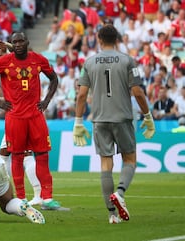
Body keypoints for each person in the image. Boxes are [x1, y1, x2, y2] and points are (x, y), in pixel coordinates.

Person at [73, 24, 155, 224]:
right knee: (130, 159)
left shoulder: (89, 62)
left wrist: (78, 121)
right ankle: (120, 192)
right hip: (122, 117)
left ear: (99, 39)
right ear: (117, 39)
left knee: (105, 163)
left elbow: (82, 94)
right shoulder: (127, 60)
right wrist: (147, 115)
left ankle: (111, 215)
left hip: (99, 119)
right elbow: (137, 92)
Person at [0, 31, 61, 210]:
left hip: (35, 116)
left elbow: (54, 78)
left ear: (27, 42)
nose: (18, 44)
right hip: (15, 117)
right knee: (17, 157)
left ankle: (47, 198)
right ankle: (22, 198)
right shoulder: (3, 62)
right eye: (14, 42)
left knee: (42, 155)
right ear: (12, 44)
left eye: (21, 41)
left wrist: (46, 100)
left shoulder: (38, 59)